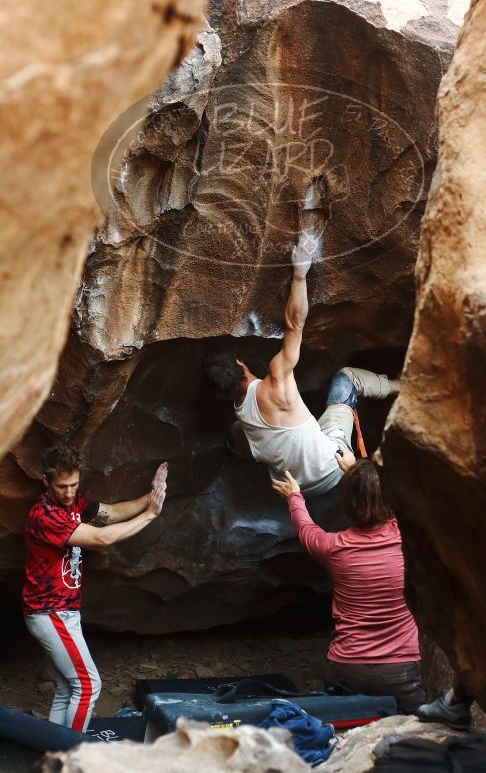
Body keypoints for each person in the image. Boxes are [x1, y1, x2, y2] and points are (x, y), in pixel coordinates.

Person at [203, 183, 399, 497]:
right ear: (241, 364)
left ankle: (230, 448)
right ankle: (400, 388)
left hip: (297, 488)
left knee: (237, 434)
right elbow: (296, 324)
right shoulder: (276, 379)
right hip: (332, 468)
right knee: (345, 379)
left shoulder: (239, 408)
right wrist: (299, 273)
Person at [22, 444, 168, 732]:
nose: (68, 492)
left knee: (67, 690)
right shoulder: (45, 515)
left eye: (73, 485)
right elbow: (102, 538)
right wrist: (149, 515)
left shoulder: (75, 504)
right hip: (49, 611)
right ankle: (71, 754)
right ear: (46, 482)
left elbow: (111, 513)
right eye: (61, 486)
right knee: (88, 686)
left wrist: (151, 497)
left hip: (62, 611)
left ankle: (51, 755)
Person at [272, 459, 425, 714]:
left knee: (340, 732)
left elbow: (306, 529)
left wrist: (295, 496)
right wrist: (358, 475)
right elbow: (405, 506)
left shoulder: (332, 548)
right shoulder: (407, 538)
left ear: (347, 503)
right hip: (399, 672)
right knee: (419, 735)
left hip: (345, 669)